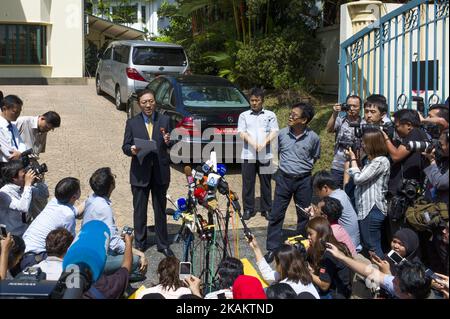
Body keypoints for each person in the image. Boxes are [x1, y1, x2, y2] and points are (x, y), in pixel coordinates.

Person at [265, 102, 320, 263]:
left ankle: (302, 247)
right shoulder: (282, 134)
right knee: (276, 214)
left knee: (304, 216)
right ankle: (272, 248)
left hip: (304, 180)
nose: (290, 116)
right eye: (290, 113)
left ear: (304, 120)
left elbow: (315, 156)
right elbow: (276, 152)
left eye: (294, 115)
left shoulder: (314, 138)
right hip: (284, 179)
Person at [122, 89, 173, 256]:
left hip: (160, 171)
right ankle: (140, 243)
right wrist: (132, 149)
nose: (148, 105)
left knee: (160, 209)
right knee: (139, 210)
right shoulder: (132, 123)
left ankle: (163, 243)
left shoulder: (165, 119)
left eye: (150, 101)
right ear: (139, 104)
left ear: (155, 102)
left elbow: (173, 141)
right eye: (144, 102)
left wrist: (169, 141)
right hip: (140, 172)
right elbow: (125, 146)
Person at [82, 167, 148, 279]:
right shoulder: (104, 208)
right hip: (96, 259)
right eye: (113, 176)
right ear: (111, 185)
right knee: (135, 259)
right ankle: (116, 277)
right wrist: (139, 253)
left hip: (88, 251)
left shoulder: (91, 198)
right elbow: (114, 244)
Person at [326, 242, 433, 299]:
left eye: (396, 282)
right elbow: (370, 271)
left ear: (408, 294)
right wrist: (342, 257)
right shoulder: (403, 285)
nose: (392, 280)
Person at [345, 128, 390, 258]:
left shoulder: (380, 161)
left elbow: (359, 179)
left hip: (372, 209)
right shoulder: (370, 161)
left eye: (364, 142)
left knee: (373, 246)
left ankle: (383, 275)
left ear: (373, 143)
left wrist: (353, 159)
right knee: (369, 246)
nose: (362, 145)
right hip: (366, 209)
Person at [21, 177, 84, 270]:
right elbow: (70, 244)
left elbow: (76, 211)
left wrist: (91, 198)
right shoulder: (68, 215)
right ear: (74, 196)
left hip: (24, 251)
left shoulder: (54, 201)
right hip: (37, 259)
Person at [237, 87, 279, 221]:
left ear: (262, 101)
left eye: (257, 100)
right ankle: (248, 209)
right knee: (248, 183)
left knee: (266, 183)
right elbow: (241, 132)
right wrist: (253, 144)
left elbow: (274, 131)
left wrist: (264, 143)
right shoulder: (244, 115)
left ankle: (266, 209)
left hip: (265, 155)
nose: (254, 103)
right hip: (248, 155)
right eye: (252, 100)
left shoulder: (270, 115)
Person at [248, 238, 320, 298]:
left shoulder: (285, 287)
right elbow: (267, 274)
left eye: (276, 262)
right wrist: (256, 248)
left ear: (281, 265)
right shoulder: (301, 274)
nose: (275, 265)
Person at [312, 170, 360, 249]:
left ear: (325, 188)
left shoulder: (334, 200)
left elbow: (322, 224)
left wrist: (313, 216)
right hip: (353, 240)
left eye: (317, 191)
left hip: (346, 244)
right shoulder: (341, 193)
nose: (316, 194)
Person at [306, 217, 353, 299]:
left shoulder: (328, 254)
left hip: (335, 294)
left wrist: (306, 272)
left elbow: (324, 285)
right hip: (345, 289)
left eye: (311, 234)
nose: (308, 237)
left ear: (320, 234)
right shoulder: (337, 245)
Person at [0, 160, 48, 236]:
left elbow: (43, 195)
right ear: (14, 178)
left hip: (25, 230)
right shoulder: (4, 193)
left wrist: (40, 182)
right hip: (11, 235)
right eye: (24, 175)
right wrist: (28, 185)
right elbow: (23, 207)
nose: (27, 177)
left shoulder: (24, 187)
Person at [83, 232, 134, 299]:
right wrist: (128, 242)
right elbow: (126, 266)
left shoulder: (68, 283)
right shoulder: (105, 287)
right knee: (136, 260)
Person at [326, 95, 362, 188]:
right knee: (335, 194)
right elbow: (329, 129)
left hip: (356, 166)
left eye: (355, 106)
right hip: (338, 165)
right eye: (349, 105)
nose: (352, 108)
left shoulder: (363, 123)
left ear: (360, 108)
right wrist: (334, 113)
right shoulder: (340, 120)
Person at [0, 93, 26, 184]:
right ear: (4, 109)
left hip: (16, 165)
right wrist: (20, 153)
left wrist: (20, 153)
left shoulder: (13, 126)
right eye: (15, 112)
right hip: (4, 167)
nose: (18, 115)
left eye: (19, 112)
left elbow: (22, 144)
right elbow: (8, 153)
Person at [423, 129, 449, 206]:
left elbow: (441, 183)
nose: (439, 147)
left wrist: (432, 160)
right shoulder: (444, 158)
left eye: (441, 144)